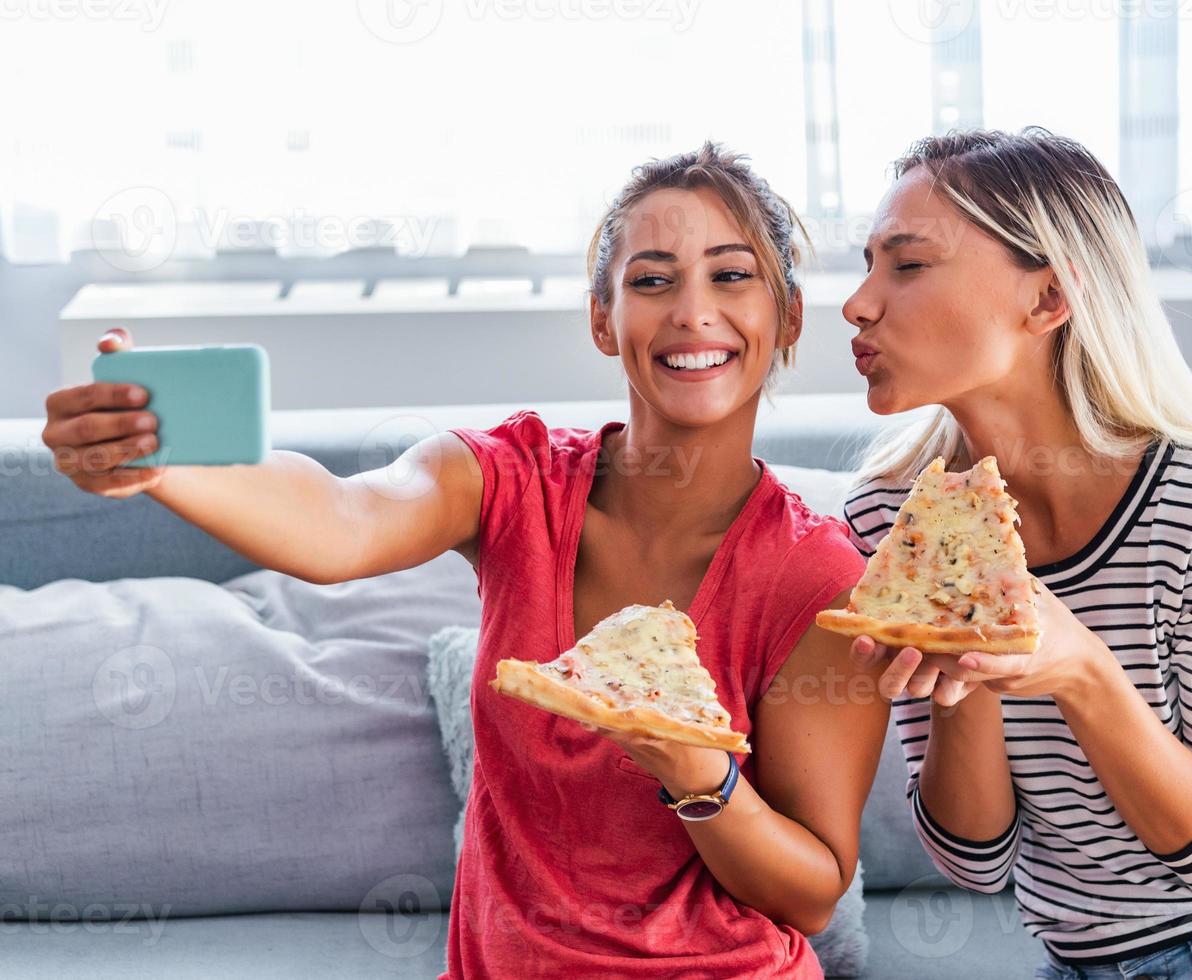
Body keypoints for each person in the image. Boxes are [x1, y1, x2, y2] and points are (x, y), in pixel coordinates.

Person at [42, 142, 888, 978]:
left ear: (787, 317)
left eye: (731, 276)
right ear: (603, 319)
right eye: (652, 279)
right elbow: (343, 518)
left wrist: (700, 776)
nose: (693, 312)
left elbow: (811, 896)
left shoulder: (818, 576)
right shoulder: (509, 478)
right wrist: (167, 457)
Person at [840, 127, 1192, 978]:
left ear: (1046, 299)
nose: (857, 302)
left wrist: (1081, 672)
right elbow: (976, 862)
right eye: (866, 264)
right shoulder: (892, 520)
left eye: (908, 264)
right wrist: (966, 672)